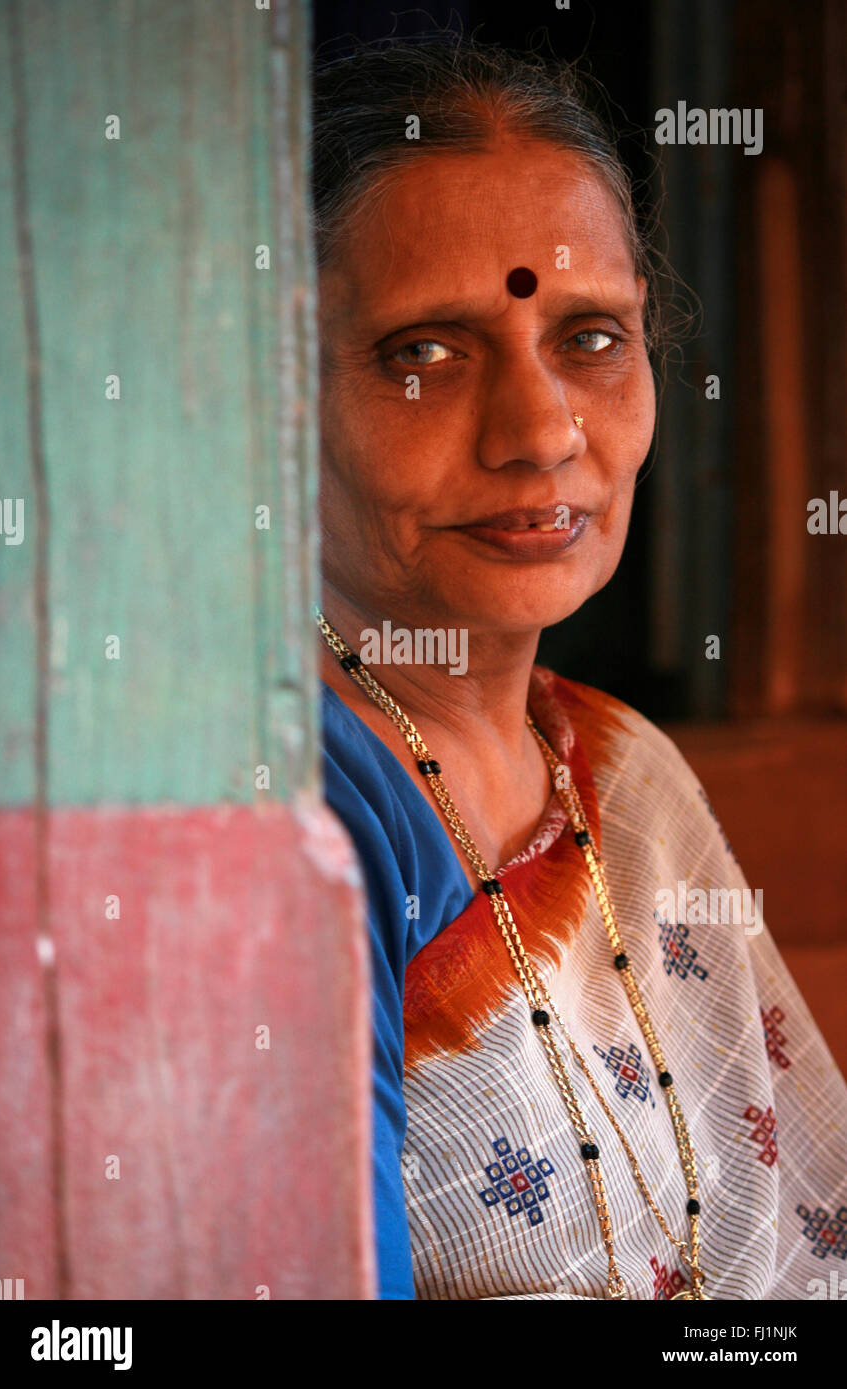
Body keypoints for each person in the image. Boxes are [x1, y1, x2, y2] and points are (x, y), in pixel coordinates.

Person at [313, 36, 847, 1300]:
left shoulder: (612, 761)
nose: (541, 430)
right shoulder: (310, 805)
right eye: (423, 352)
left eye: (590, 336)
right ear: (273, 391)